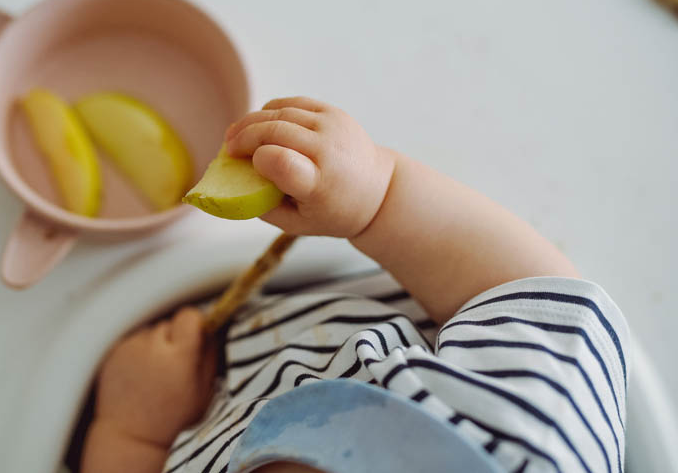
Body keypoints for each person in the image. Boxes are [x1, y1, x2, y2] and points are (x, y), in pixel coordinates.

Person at [79, 97, 629, 473]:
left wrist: (134, 436)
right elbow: (523, 289)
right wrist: (376, 200)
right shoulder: (531, 439)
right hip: (378, 288)